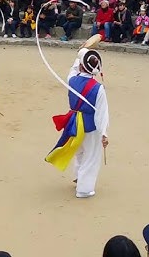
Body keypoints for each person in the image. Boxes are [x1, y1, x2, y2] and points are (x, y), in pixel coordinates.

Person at [45, 48, 109, 198]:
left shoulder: (72, 80)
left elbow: (74, 68)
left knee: (79, 151)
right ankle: (84, 189)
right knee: (91, 156)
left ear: (81, 65)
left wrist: (81, 54)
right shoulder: (98, 89)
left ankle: (78, 176)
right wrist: (104, 133)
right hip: (90, 125)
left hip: (74, 122)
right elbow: (102, 113)